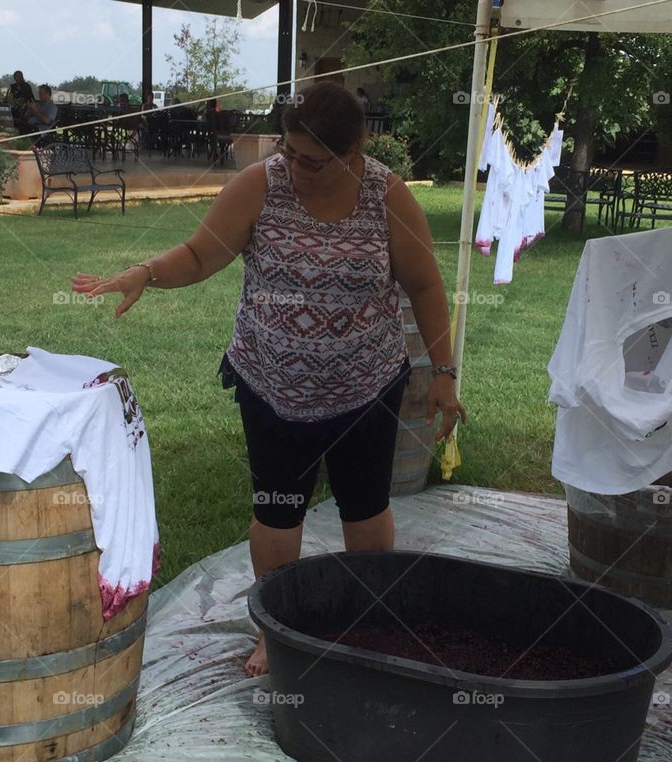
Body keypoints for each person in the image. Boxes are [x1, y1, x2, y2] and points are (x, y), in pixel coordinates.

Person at [71, 82, 465, 677]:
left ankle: (367, 619)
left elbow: (427, 286)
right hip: (271, 385)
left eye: (313, 159)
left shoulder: (386, 195)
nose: (295, 167)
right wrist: (146, 272)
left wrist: (443, 373)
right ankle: (276, 629)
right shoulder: (262, 183)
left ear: (352, 153)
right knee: (278, 513)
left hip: (365, 386)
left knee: (366, 510)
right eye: (289, 150)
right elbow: (203, 254)